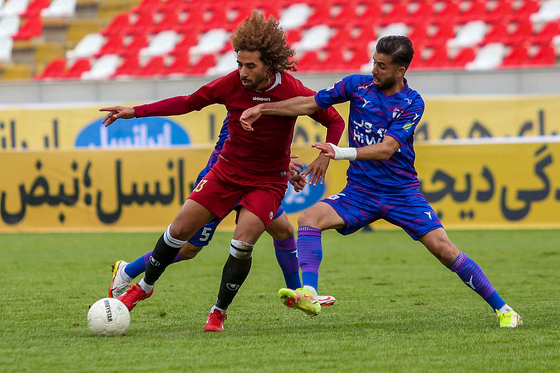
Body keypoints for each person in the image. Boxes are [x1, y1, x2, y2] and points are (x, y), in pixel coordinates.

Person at [240, 35, 522, 328]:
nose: (374, 70)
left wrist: (339, 152)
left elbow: (387, 149)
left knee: (445, 250)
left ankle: (504, 310)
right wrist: (263, 109)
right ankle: (309, 292)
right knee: (309, 218)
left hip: (401, 194)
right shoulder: (357, 85)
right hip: (360, 193)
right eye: (374, 62)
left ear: (400, 71)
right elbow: (309, 104)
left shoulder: (412, 103)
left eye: (382, 66)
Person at [99, 11, 346, 332]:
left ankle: (285, 297)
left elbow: (334, 119)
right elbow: (189, 102)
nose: (242, 72)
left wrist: (326, 154)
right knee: (187, 246)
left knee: (276, 232)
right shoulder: (231, 85)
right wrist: (135, 112)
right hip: (226, 174)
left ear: (269, 65)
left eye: (250, 66)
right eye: (239, 63)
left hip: (266, 183)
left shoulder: (292, 91)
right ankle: (132, 275)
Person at [109, 116, 336, 307]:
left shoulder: (272, 96)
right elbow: (241, 145)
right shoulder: (245, 96)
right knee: (189, 249)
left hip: (255, 183)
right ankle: (127, 271)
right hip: (223, 181)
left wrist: (281, 169)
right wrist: (281, 165)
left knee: (284, 230)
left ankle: (297, 294)